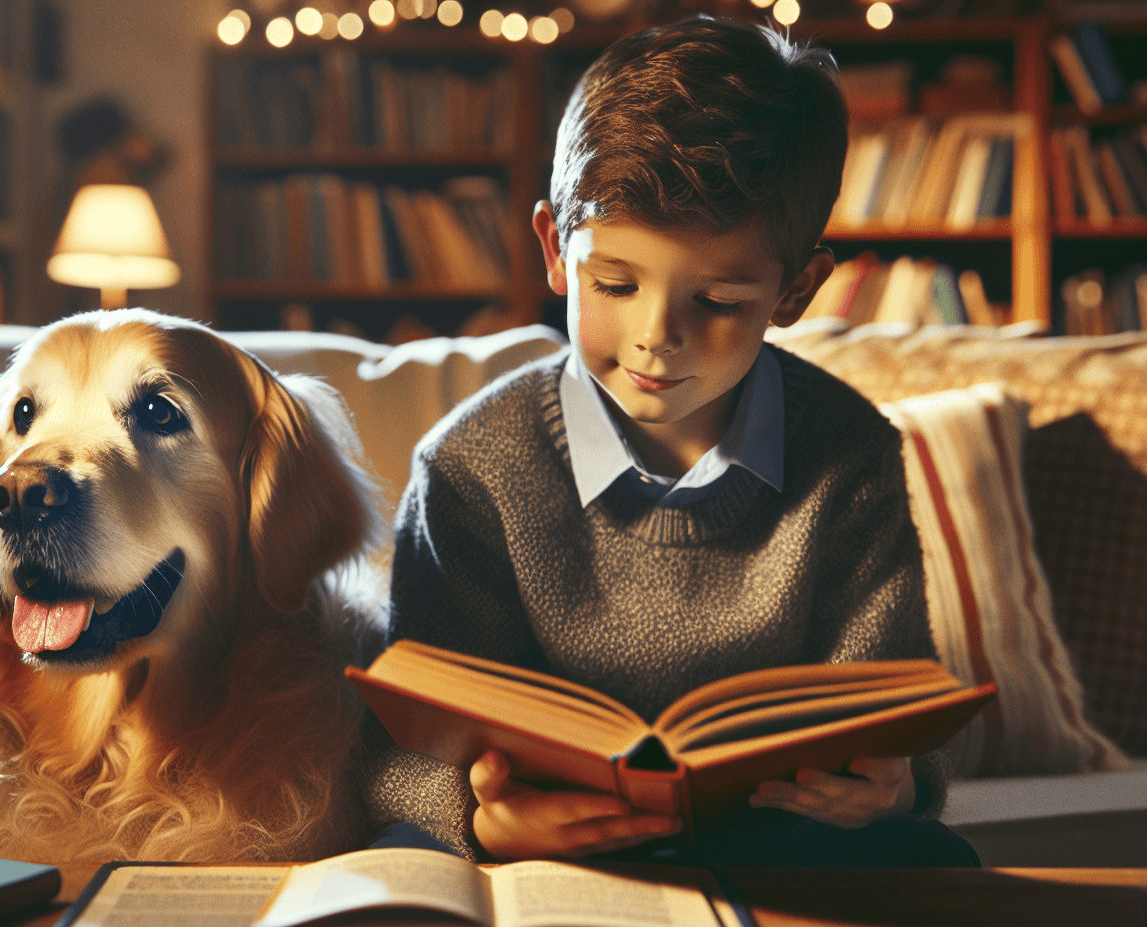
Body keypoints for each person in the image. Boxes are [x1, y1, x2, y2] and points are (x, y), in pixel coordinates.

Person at [369, 16, 978, 868]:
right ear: (555, 250)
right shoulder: (470, 469)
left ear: (796, 289)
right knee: (408, 862)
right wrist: (483, 822)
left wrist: (899, 784)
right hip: (554, 853)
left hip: (784, 844)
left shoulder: (850, 452)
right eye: (614, 283)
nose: (657, 336)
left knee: (932, 864)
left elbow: (896, 704)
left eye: (720, 301)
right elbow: (405, 749)